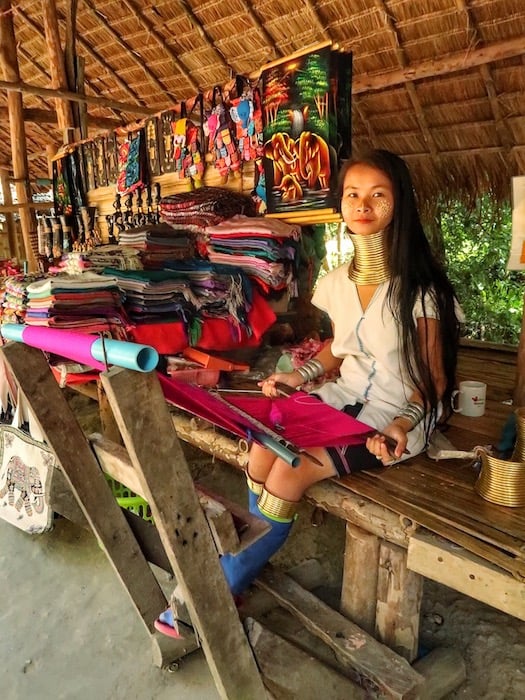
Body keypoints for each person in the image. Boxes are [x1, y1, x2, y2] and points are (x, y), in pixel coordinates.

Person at [155, 148, 462, 638]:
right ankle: (241, 567)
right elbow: (339, 352)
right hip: (343, 400)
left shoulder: (423, 291)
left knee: (290, 472)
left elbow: (436, 381)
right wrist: (297, 380)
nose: (363, 205)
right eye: (353, 195)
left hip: (394, 420)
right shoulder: (338, 282)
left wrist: (403, 424)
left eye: (378, 196)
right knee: (261, 445)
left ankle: (207, 597)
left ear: (399, 204)